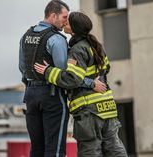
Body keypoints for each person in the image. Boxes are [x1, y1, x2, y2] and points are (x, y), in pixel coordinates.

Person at [34, 12, 128, 157]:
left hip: (89, 112)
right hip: (107, 107)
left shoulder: (78, 50)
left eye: (68, 22)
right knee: (114, 148)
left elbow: (72, 79)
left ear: (74, 29)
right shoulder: (96, 46)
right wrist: (91, 80)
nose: (65, 24)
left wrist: (48, 72)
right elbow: (106, 68)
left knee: (90, 151)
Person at [19, 1, 105, 157]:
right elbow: (67, 76)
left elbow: (22, 68)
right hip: (52, 96)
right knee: (55, 149)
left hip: (30, 95)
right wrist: (90, 83)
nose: (66, 21)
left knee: (36, 149)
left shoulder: (26, 36)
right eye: (64, 17)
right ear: (53, 16)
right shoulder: (57, 39)